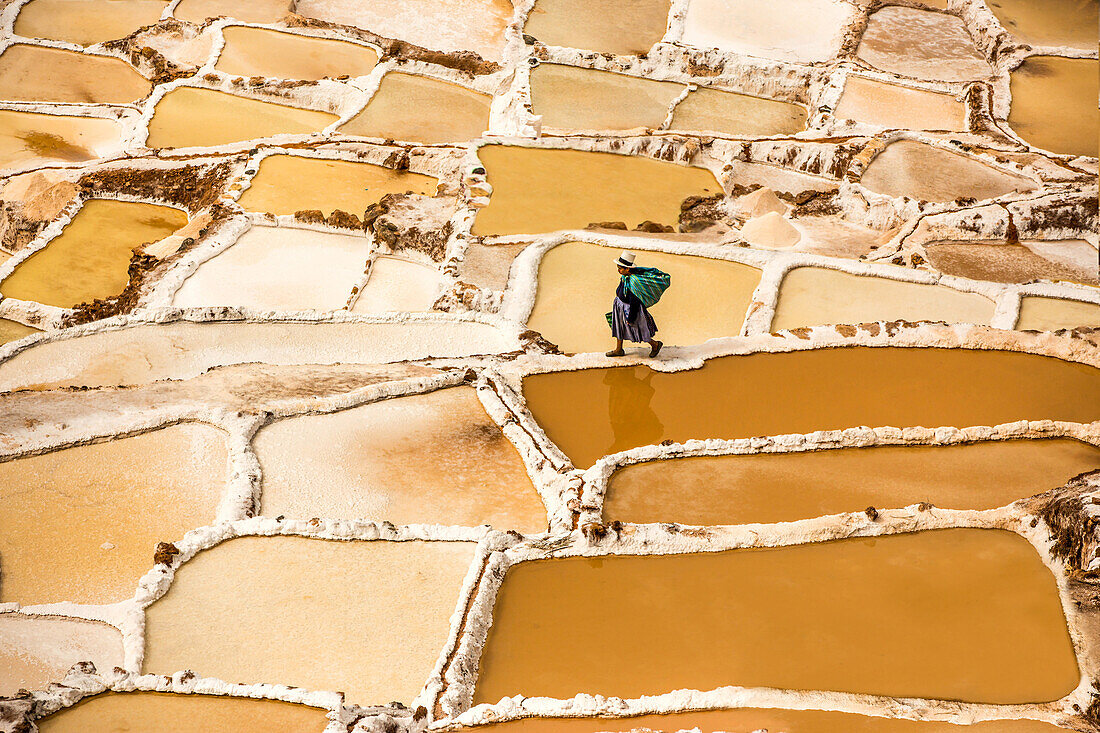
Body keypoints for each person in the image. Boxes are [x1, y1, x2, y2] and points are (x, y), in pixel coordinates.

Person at [606, 251, 663, 358]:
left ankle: (655, 345)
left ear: (627, 269)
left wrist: (630, 317)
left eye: (620, 268)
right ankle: (618, 349)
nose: (618, 270)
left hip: (630, 309)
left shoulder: (634, 281)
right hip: (620, 305)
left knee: (639, 329)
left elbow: (635, 302)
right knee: (619, 327)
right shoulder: (625, 276)